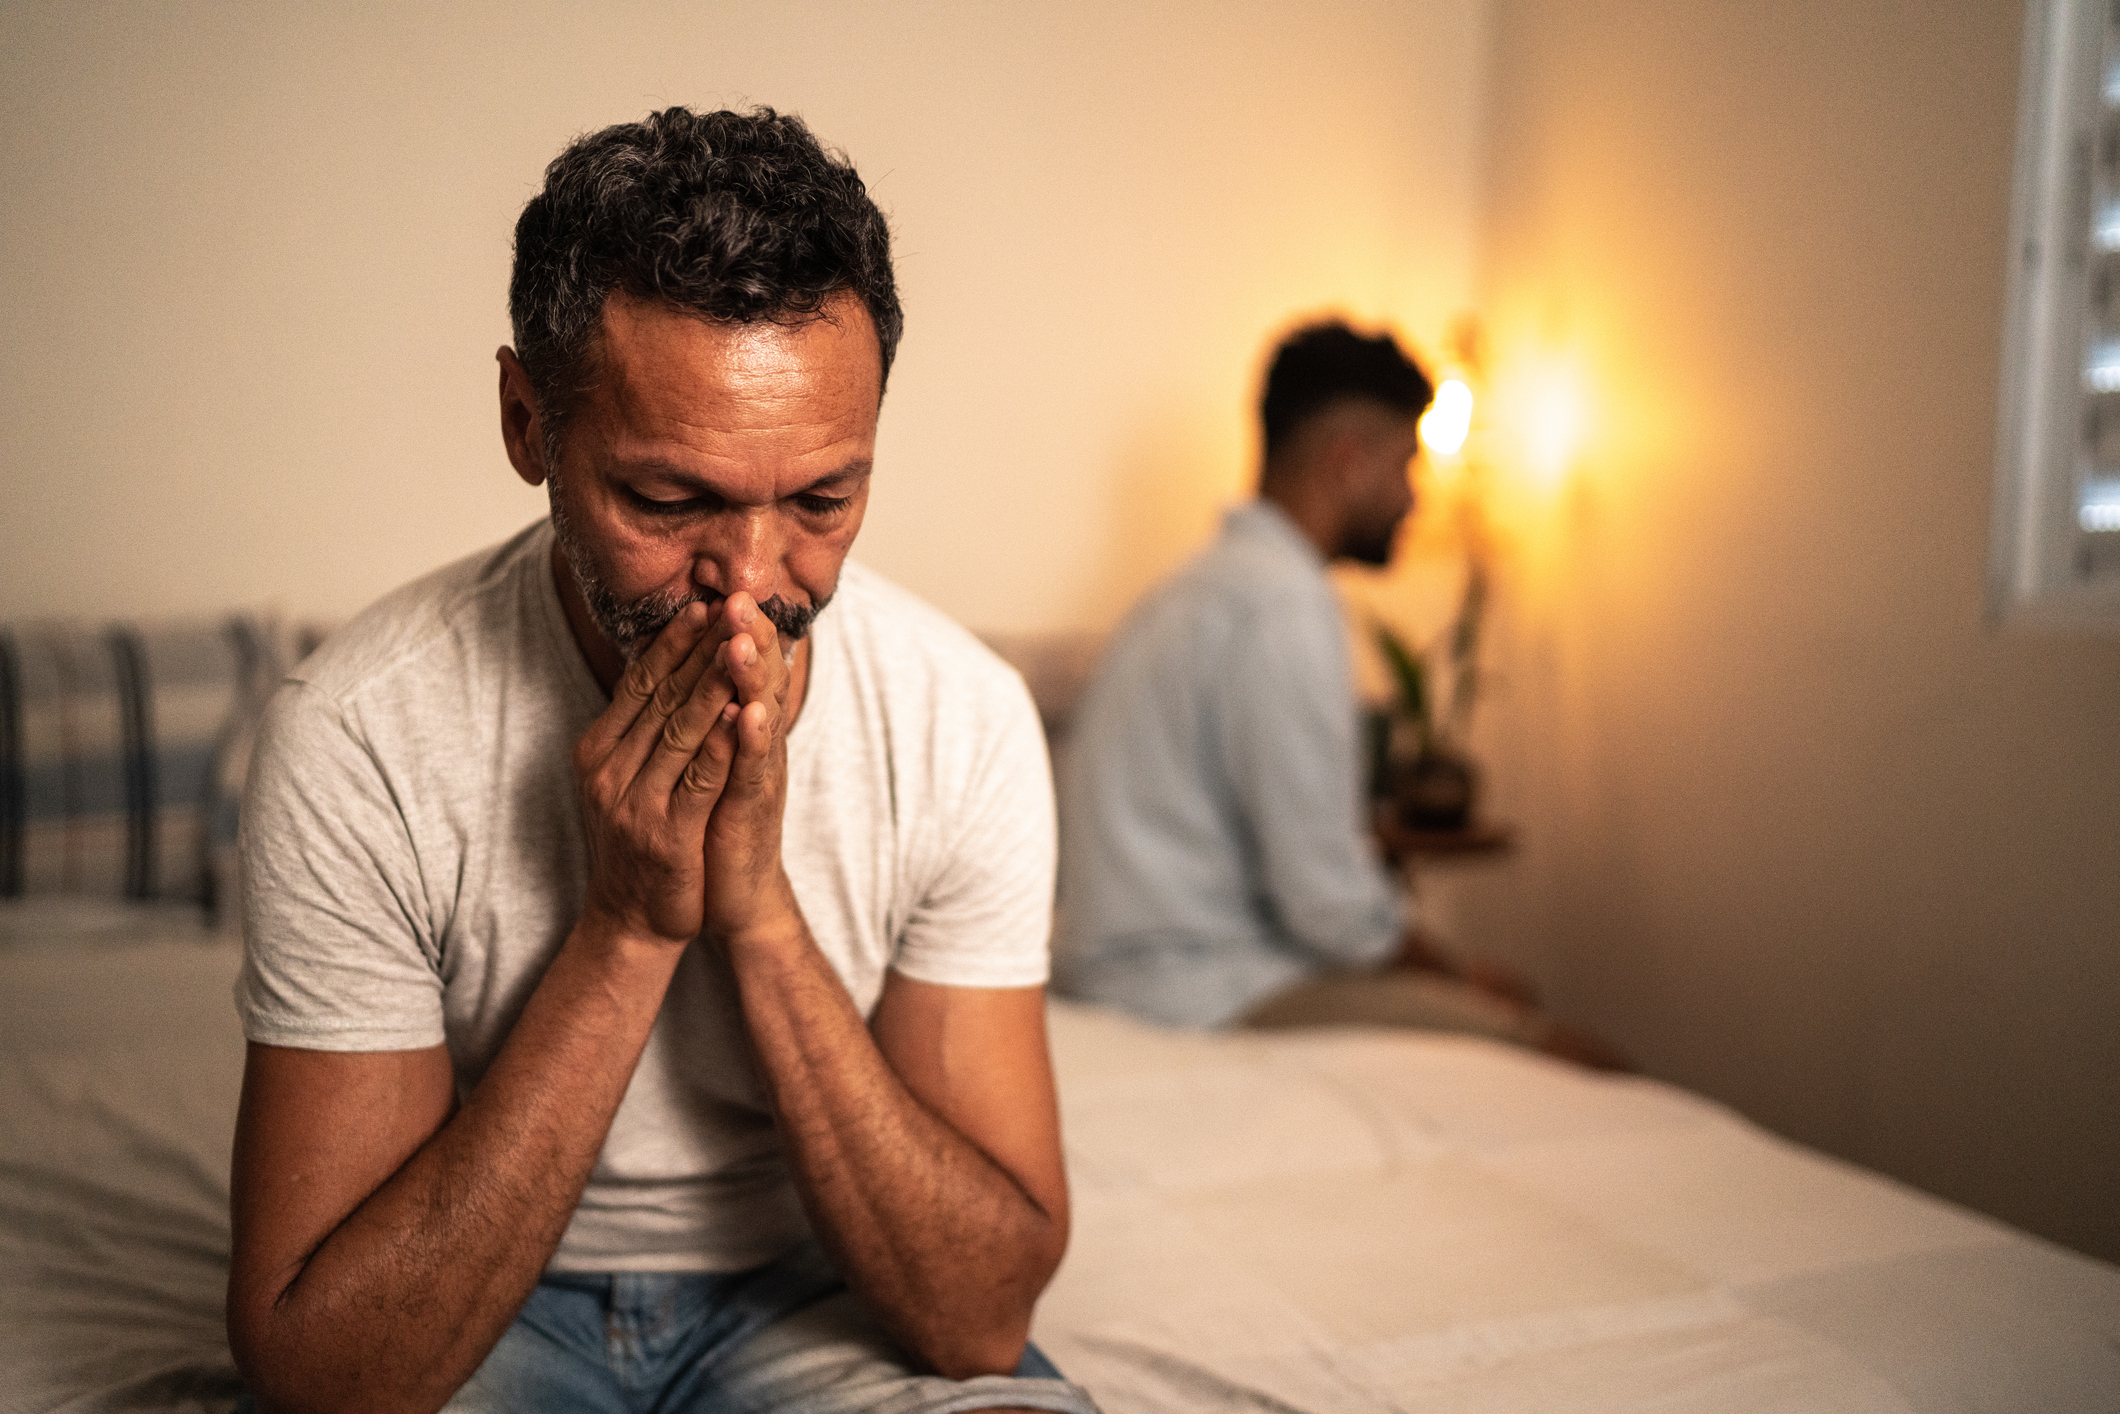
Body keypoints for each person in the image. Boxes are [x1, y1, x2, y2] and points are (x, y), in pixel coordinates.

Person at [225, 108, 1097, 1414]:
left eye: (820, 500)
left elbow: (977, 1314)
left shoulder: (963, 717)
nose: (748, 587)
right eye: (668, 501)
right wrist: (628, 926)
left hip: (822, 1287)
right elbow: (331, 1368)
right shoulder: (357, 732)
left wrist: (756, 912)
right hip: (480, 1303)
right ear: (530, 424)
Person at [1054, 321, 1611, 1063]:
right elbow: (1329, 907)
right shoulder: (1283, 607)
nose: (1414, 499)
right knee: (1583, 1063)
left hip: (1119, 974)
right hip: (1206, 991)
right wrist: (1463, 971)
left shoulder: (1188, 594)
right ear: (1347, 461)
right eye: (1408, 466)